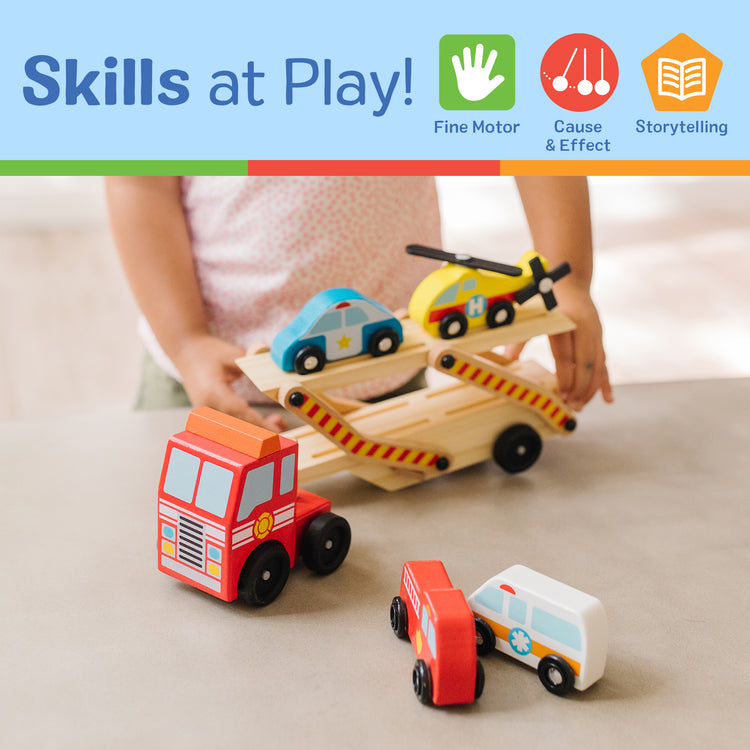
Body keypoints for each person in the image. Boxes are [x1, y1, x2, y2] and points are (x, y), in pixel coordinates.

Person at [106, 175, 613, 432]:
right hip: (201, 378)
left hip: (387, 375)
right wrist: (186, 340)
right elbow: (138, 177)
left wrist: (567, 273)